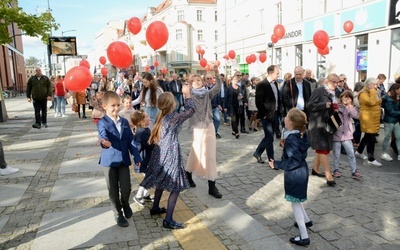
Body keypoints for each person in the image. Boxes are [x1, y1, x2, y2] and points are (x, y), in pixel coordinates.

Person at [141, 89, 195, 229]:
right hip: (170, 154)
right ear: (171, 105)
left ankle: (155, 207)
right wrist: (187, 94)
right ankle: (168, 219)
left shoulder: (162, 117)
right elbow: (191, 110)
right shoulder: (172, 118)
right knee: (175, 186)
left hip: (160, 154)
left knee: (160, 180)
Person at [97, 91, 142, 227]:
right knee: (113, 190)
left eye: (118, 105)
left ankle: (125, 203)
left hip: (123, 159)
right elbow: (102, 135)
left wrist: (136, 155)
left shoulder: (123, 122)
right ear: (105, 106)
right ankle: (118, 214)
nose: (116, 108)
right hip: (109, 161)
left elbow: (130, 140)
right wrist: (104, 142)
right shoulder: (102, 122)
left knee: (126, 188)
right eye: (113, 106)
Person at [268, 108, 311, 247]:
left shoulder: (291, 138)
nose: (284, 118)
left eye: (286, 116)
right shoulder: (301, 135)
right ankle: (306, 220)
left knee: (295, 203)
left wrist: (276, 164)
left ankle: (304, 236)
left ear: (291, 122)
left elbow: (293, 160)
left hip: (295, 174)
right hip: (301, 171)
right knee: (298, 200)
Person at [186, 65, 223, 198]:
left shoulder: (207, 94)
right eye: (194, 81)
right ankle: (188, 174)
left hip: (209, 125)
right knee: (196, 153)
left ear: (203, 82)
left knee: (210, 155)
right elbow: (185, 89)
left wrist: (217, 73)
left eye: (199, 80)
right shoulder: (189, 95)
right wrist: (188, 81)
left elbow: (217, 88)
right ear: (191, 83)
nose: (197, 82)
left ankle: (212, 186)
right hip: (197, 128)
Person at [306, 73, 339, 186]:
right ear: (327, 81)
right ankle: (328, 175)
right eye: (333, 81)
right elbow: (309, 106)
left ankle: (315, 169)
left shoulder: (334, 92)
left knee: (323, 149)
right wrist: (324, 104)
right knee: (322, 149)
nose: (336, 84)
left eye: (337, 82)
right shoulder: (319, 91)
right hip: (318, 124)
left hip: (328, 124)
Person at [253, 65, 281, 164]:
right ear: (271, 73)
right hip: (267, 116)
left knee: (269, 136)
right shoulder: (262, 84)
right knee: (269, 138)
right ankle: (271, 160)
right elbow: (259, 102)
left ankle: (257, 152)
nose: (278, 75)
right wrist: (264, 115)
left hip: (275, 114)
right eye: (277, 73)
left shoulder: (275, 84)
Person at [332, 90, 362, 179]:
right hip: (337, 133)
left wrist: (350, 106)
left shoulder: (350, 107)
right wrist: (336, 109)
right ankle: (336, 169)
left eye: (348, 97)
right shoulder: (336, 106)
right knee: (336, 154)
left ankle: (354, 170)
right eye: (345, 97)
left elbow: (356, 116)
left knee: (351, 153)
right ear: (341, 97)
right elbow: (332, 116)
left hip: (347, 134)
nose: (346, 99)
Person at [354, 77, 383, 167]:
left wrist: (375, 92)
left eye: (376, 84)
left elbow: (378, 101)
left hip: (373, 117)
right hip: (368, 118)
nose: (376, 86)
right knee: (371, 138)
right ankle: (371, 158)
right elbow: (372, 102)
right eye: (374, 84)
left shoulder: (373, 92)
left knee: (367, 136)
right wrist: (373, 91)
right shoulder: (363, 93)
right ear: (368, 84)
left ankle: (359, 151)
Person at [130, 111, 154, 206]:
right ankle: (138, 195)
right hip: (143, 160)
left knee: (149, 176)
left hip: (146, 158)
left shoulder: (145, 130)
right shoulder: (142, 133)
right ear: (142, 121)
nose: (149, 117)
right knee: (149, 177)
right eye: (147, 116)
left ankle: (146, 194)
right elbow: (149, 145)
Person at [380, 83, 400, 162]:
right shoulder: (387, 99)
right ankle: (383, 153)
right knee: (387, 137)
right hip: (389, 121)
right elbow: (391, 112)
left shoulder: (395, 97)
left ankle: (399, 154)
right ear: (395, 90)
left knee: (398, 137)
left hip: (395, 120)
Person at [352, 82, 364, 147]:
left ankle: (353, 138)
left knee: (358, 128)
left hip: (358, 113)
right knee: (358, 128)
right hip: (357, 114)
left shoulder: (357, 94)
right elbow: (358, 105)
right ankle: (356, 142)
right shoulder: (356, 95)